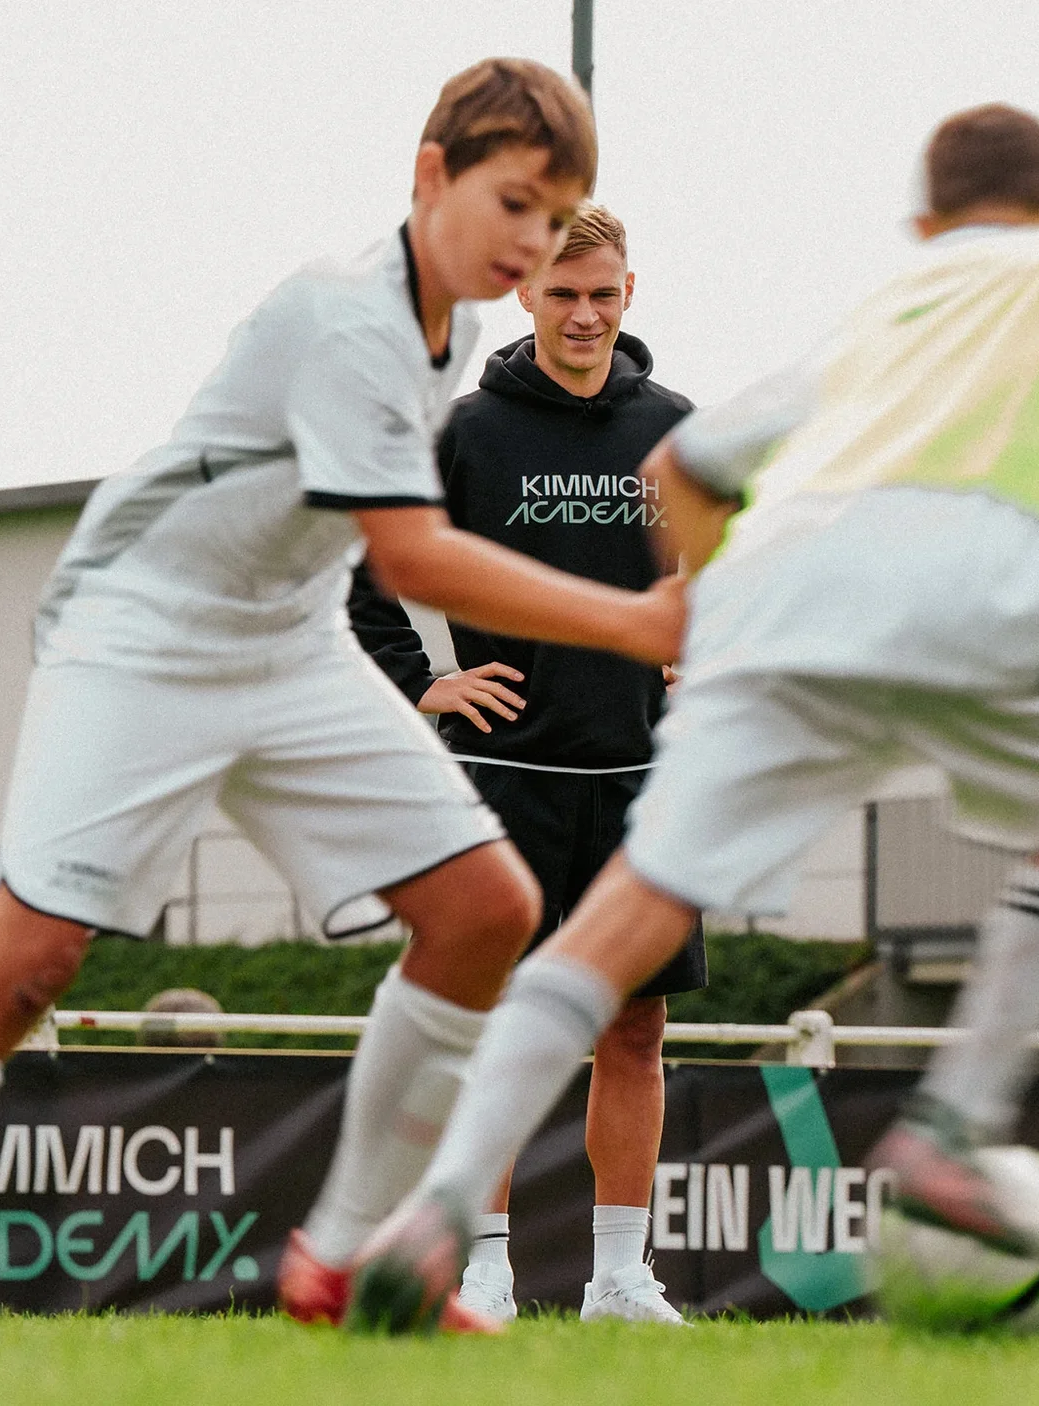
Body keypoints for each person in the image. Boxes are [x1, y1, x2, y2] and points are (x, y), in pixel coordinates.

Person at [342, 103, 1039, 1332]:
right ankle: (950, 1128)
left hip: (789, 600)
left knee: (626, 918)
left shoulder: (876, 319)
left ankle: (440, 1208)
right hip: (973, 573)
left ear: (923, 225)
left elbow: (678, 478)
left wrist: (705, 640)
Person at [0, 58, 683, 1337]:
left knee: (480, 910)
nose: (532, 243)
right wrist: (634, 618)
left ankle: (339, 1260)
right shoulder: (347, 315)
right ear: (430, 175)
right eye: (514, 205)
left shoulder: (445, 332)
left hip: (281, 641)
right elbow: (406, 557)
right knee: (29, 961)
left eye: (556, 219)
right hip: (142, 633)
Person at [346, 201, 698, 1325]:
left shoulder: (683, 433)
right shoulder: (467, 432)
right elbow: (365, 584)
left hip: (647, 787)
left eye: (602, 293)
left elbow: (739, 580)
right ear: (527, 296)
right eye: (562, 294)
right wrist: (425, 681)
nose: (583, 314)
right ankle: (485, 1265)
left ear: (630, 294)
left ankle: (617, 1279)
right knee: (492, 1026)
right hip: (503, 786)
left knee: (632, 1029)